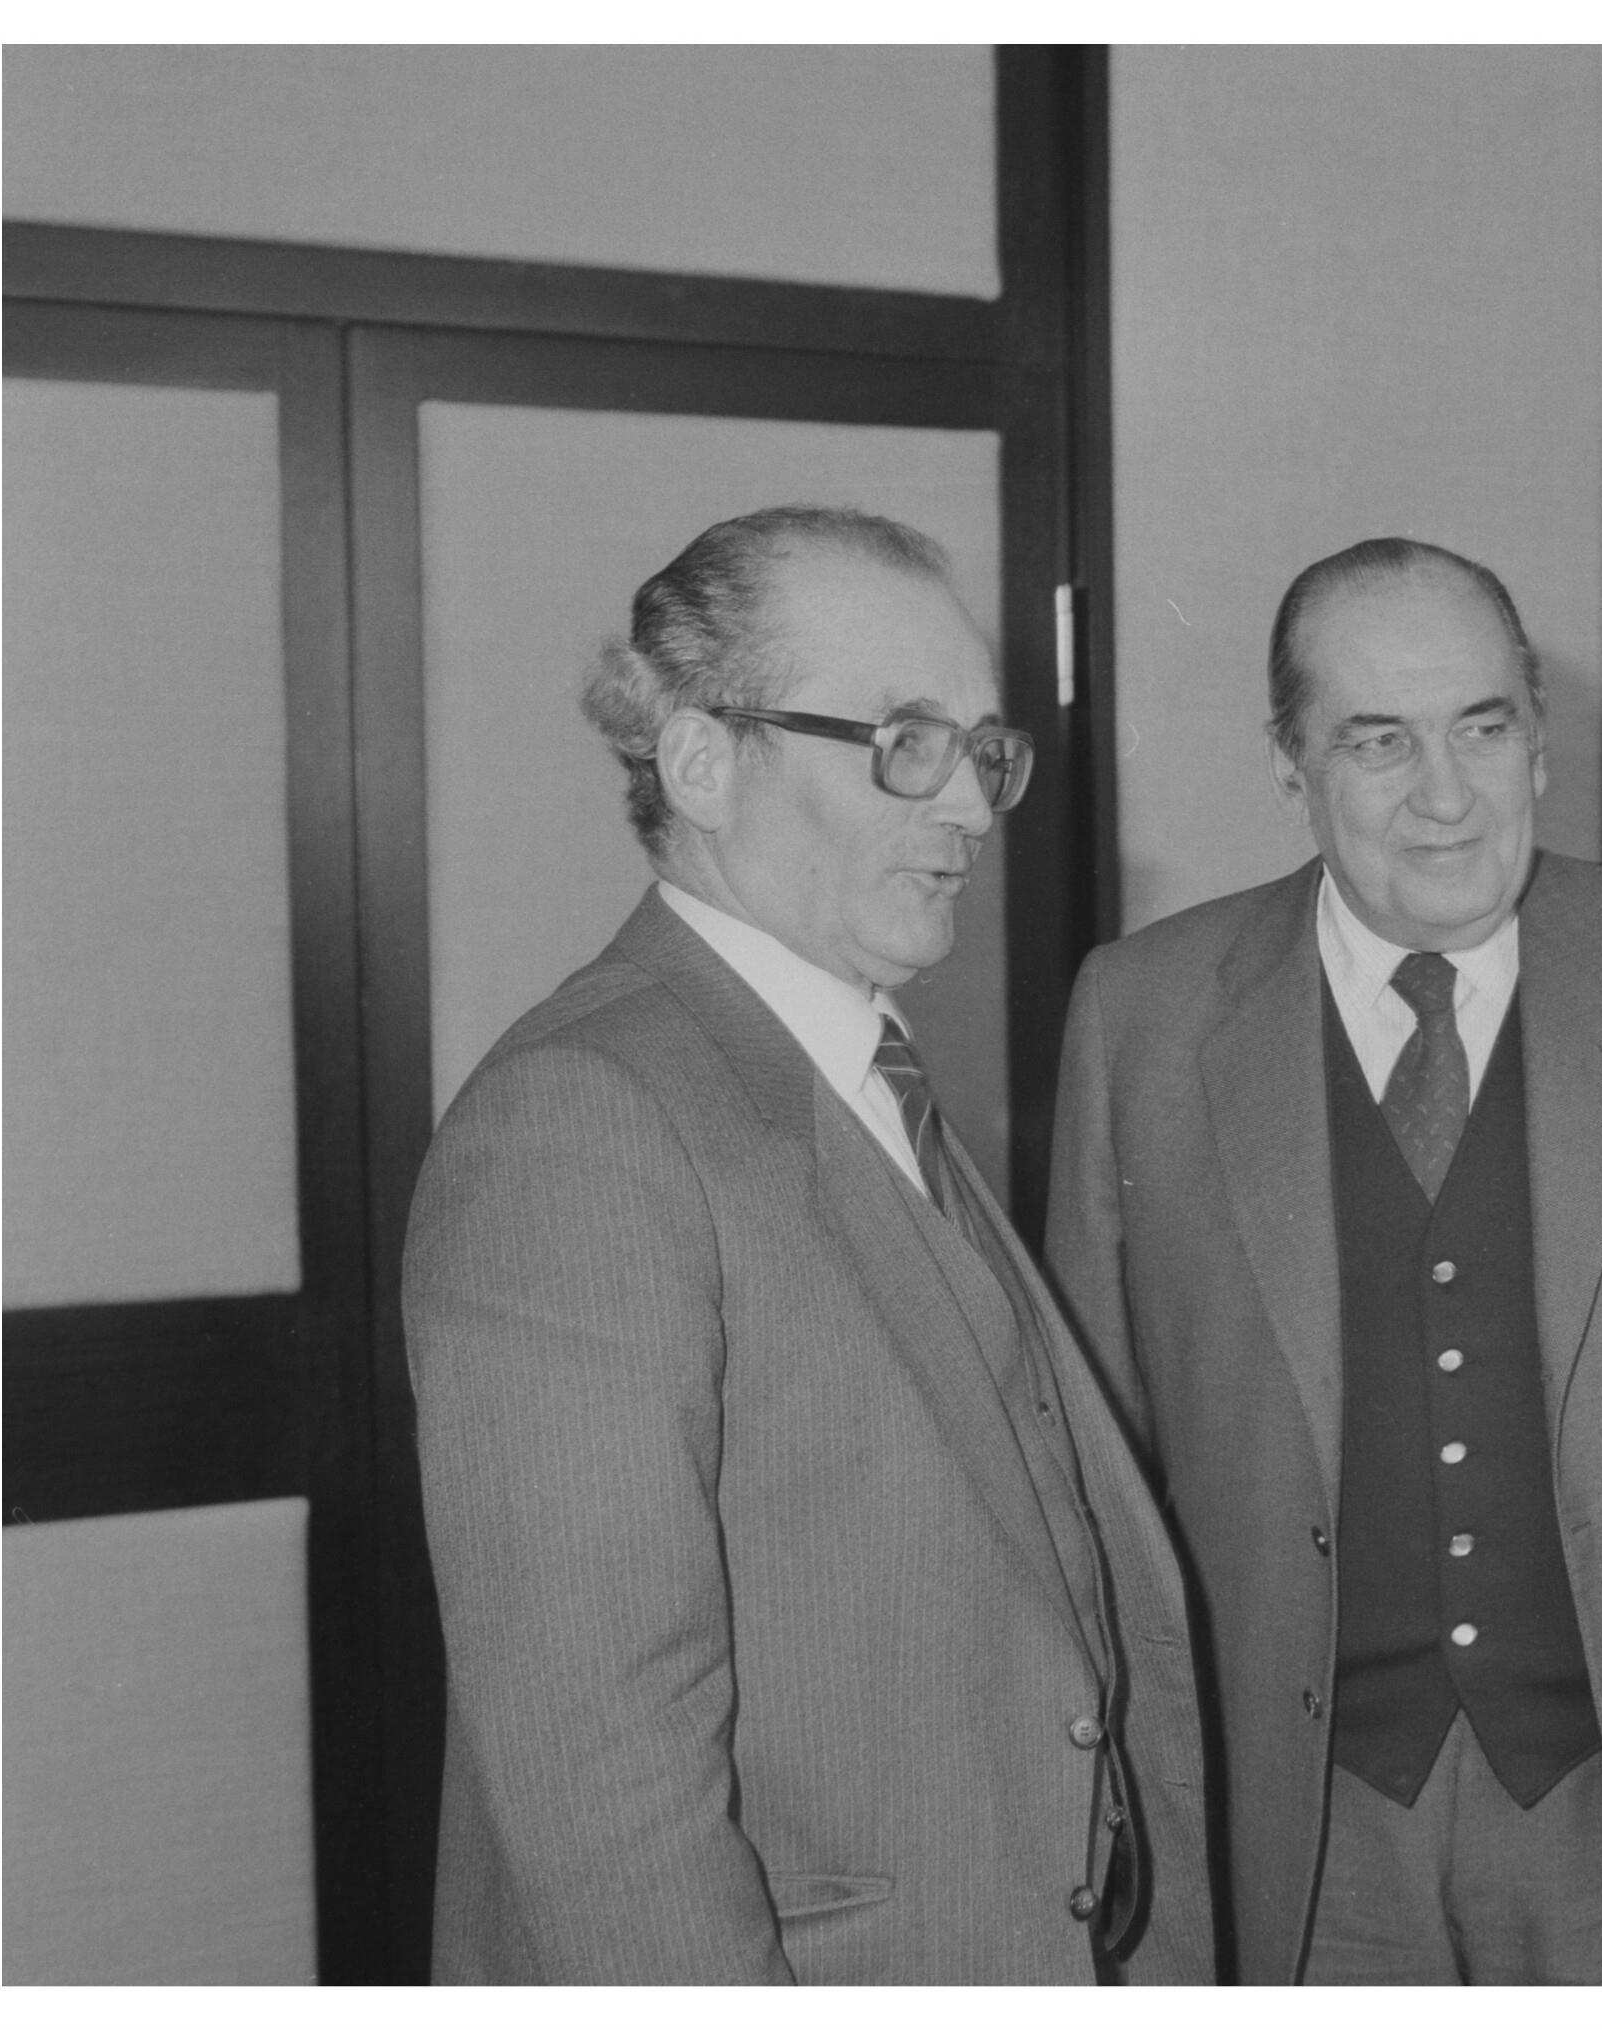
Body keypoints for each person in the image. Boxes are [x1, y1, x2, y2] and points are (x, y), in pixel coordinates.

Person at [1047, 537, 1602, 1984]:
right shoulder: (1144, 1014)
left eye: (1483, 728)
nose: (1444, 795)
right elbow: (1088, 1465)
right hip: (1289, 1822)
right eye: (1378, 740)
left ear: (1540, 740)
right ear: (1288, 763)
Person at [404, 507, 1213, 1983]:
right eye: (906, 741)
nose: (969, 803)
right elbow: (603, 1780)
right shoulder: (583, 1119)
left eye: (985, 749)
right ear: (703, 761)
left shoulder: (853, 1067)